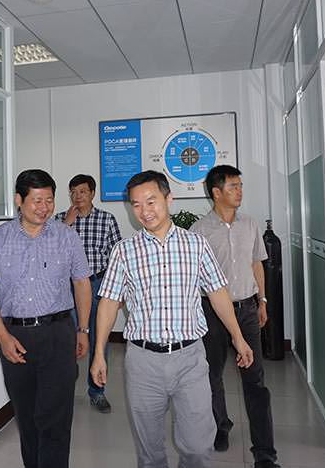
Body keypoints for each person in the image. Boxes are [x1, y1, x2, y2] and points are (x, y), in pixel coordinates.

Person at [90, 170, 253, 468]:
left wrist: (238, 338)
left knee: (197, 448)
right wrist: (99, 353)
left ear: (168, 199)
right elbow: (109, 303)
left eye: (151, 201)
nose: (144, 211)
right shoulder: (124, 252)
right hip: (143, 362)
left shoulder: (196, 244)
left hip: (189, 358)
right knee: (150, 453)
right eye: (136, 205)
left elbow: (218, 293)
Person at [0, 169, 92, 468]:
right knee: (26, 416)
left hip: (58, 333)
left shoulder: (67, 237)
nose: (44, 208)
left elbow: (82, 282)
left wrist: (82, 329)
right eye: (37, 201)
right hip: (15, 336)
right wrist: (3, 336)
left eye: (49, 200)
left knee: (56, 419)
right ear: (19, 200)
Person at [190, 165, 280, 468]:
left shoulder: (250, 224)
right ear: (216, 192)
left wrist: (262, 301)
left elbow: (257, 264)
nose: (240, 191)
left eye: (240, 185)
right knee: (212, 374)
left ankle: (265, 452)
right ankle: (220, 424)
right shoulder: (199, 231)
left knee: (255, 379)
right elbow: (194, 278)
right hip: (213, 313)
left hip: (247, 310)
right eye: (233, 186)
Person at [56, 173, 122, 413]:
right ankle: (65, 388)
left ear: (92, 193)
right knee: (67, 340)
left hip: (98, 285)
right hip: (67, 288)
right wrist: (66, 224)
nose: (78, 196)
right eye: (73, 192)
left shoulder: (107, 219)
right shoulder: (59, 220)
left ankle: (97, 392)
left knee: (98, 339)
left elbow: (117, 256)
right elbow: (49, 251)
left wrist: (118, 291)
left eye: (83, 191)